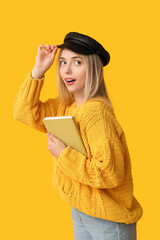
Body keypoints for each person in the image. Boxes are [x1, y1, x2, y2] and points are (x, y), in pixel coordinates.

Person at [14, 32, 143, 240]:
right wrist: (38, 71)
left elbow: (110, 173)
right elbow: (23, 113)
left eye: (77, 62)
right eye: (63, 62)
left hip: (108, 219)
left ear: (92, 69)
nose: (67, 69)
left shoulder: (96, 113)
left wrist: (63, 154)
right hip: (81, 210)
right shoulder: (65, 106)